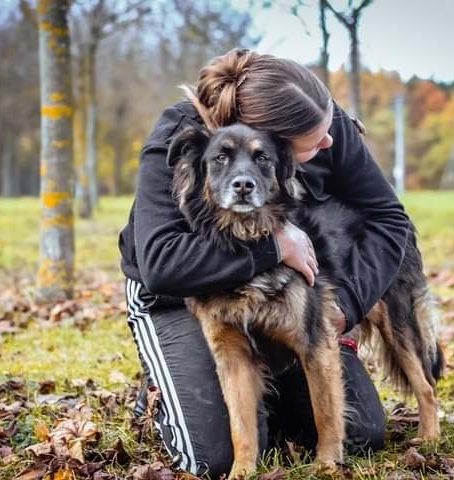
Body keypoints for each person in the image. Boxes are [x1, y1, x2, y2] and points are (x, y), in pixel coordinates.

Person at [118, 48, 411, 477]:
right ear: (269, 139)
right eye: (315, 138)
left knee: (363, 434)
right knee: (211, 459)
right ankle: (175, 375)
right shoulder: (181, 136)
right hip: (177, 294)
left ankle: (268, 393)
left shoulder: (324, 123)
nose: (329, 142)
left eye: (329, 126)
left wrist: (345, 305)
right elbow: (162, 264)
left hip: (279, 292)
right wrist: (274, 247)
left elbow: (388, 219)